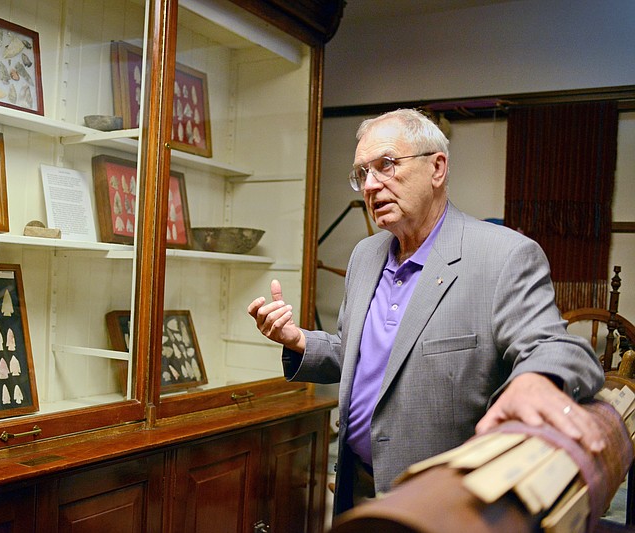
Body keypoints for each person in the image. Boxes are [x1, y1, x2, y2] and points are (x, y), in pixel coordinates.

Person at [247, 108, 605, 515]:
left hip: (447, 504)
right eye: (361, 173)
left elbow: (557, 347)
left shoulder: (502, 256)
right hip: (357, 484)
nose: (370, 185)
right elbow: (362, 357)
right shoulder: (366, 256)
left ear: (437, 168)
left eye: (385, 165)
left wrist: (538, 378)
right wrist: (300, 340)